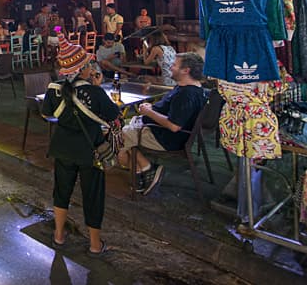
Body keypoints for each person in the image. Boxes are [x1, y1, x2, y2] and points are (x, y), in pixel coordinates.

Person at [41, 39, 120, 254]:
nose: (92, 68)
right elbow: (114, 115)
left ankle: (58, 235)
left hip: (63, 148)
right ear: (82, 69)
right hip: (90, 151)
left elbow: (46, 113)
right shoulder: (95, 92)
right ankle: (95, 245)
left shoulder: (54, 89)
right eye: (88, 65)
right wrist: (97, 86)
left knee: (61, 191)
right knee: (93, 196)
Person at [117, 53, 207, 195]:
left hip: (164, 138)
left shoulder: (186, 95)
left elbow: (174, 126)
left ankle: (147, 168)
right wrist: (151, 109)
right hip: (161, 131)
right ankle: (141, 173)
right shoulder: (190, 88)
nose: (170, 67)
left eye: (174, 65)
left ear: (186, 70)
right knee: (123, 143)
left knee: (118, 141)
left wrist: (149, 112)